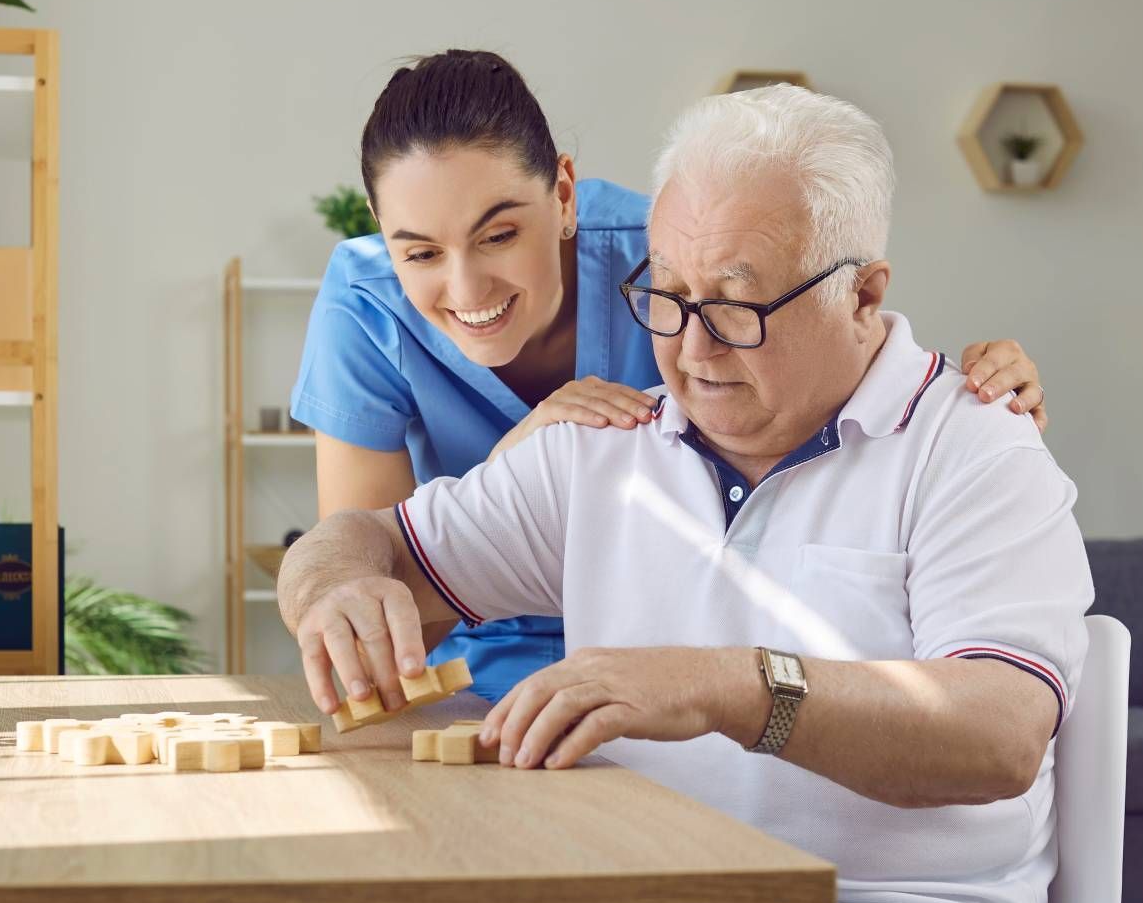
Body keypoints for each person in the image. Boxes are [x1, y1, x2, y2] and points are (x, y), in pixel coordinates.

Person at [279, 83, 1091, 903]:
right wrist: (334, 585)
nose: (692, 352)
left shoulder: (976, 445)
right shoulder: (605, 447)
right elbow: (360, 542)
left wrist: (727, 687)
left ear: (863, 294)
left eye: (738, 309)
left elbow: (998, 735)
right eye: (665, 299)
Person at [291, 49, 1050, 705]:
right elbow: (371, 583)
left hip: (689, 672)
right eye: (419, 252)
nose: (466, 289)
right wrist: (507, 467)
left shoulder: (674, 258)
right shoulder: (373, 313)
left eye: (498, 234)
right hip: (482, 674)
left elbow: (822, 328)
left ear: (563, 196)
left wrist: (971, 396)